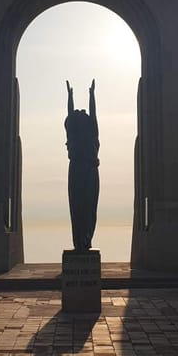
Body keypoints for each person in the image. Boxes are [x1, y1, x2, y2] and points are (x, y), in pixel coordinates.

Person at [65, 79, 100, 251]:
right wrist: (70, 97)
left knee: (90, 207)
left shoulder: (92, 131)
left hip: (90, 170)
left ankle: (86, 239)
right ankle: (79, 240)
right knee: (77, 207)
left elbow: (93, 114)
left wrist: (92, 95)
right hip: (78, 170)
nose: (82, 114)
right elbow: (71, 115)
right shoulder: (74, 134)